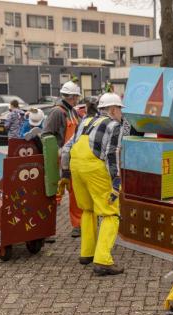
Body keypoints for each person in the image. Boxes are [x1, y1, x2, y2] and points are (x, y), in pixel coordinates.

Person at [61, 92, 125, 276]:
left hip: (76, 167)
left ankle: (87, 254)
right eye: (120, 109)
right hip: (95, 169)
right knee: (110, 213)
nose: (121, 113)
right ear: (113, 109)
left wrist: (65, 172)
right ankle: (103, 261)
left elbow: (67, 148)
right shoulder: (114, 125)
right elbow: (112, 154)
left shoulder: (85, 121)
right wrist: (116, 181)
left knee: (88, 210)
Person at [42, 80, 83, 239]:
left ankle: (77, 225)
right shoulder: (57, 112)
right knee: (52, 195)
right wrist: (59, 152)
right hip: (59, 160)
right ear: (71, 97)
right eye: (76, 97)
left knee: (75, 194)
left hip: (72, 159)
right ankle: (45, 229)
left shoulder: (73, 112)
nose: (77, 100)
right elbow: (46, 135)